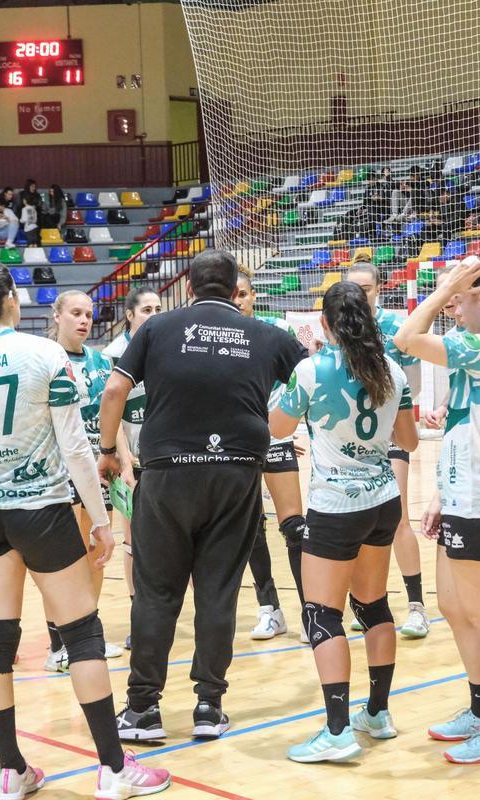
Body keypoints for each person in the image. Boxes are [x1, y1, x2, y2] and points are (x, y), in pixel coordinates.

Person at [0, 259, 170, 799]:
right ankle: (113, 769)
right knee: (82, 633)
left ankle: (11, 770)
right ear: (12, 300)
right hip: (43, 511)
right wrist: (101, 520)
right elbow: (77, 449)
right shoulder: (45, 354)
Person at [97, 249, 306, 741]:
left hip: (168, 476)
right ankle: (209, 707)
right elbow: (319, 377)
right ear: (236, 291)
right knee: (218, 592)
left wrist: (107, 451)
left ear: (188, 288)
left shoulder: (156, 328)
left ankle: (143, 710)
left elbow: (113, 392)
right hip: (236, 476)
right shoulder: (266, 335)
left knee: (157, 592)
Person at [272, 280, 418, 763]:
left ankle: (337, 731)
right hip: (384, 500)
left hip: (336, 506)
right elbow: (409, 442)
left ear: (326, 323)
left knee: (322, 613)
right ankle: (377, 712)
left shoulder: (312, 369)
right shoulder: (392, 368)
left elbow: (278, 429)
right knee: (373, 605)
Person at [395, 249, 480, 764]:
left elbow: (405, 339)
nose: (452, 309)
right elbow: (462, 425)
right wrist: (441, 494)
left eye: (458, 301)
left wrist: (441, 288)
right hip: (461, 493)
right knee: (453, 606)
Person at [345, 262, 430, 639]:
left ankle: (417, 607)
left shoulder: (396, 328)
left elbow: (412, 385)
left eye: (365, 288)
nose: (358, 294)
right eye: (353, 288)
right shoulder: (340, 325)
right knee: (356, 521)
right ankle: (367, 603)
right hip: (352, 436)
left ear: (379, 289)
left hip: (391, 431)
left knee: (398, 519)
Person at [47, 290, 126, 662]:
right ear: (57, 316)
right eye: (75, 313)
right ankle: (59, 644)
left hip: (98, 470)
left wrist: (121, 457)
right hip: (62, 471)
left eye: (89, 314)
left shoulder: (100, 360)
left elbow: (113, 416)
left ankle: (87, 636)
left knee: (97, 553)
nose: (83, 320)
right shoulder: (47, 358)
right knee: (66, 560)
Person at [234, 266, 306, 640]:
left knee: (294, 527)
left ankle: (312, 611)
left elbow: (305, 373)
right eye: (232, 294)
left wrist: (287, 422)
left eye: (243, 294)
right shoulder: (221, 335)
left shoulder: (277, 330)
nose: (238, 301)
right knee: (251, 529)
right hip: (238, 443)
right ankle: (270, 610)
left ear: (254, 296)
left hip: (276, 438)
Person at [101, 286, 163, 649]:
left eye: (158, 309)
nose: (154, 315)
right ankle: (138, 617)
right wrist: (124, 460)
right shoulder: (112, 354)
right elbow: (113, 414)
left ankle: (161, 611)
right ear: (129, 315)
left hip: (163, 460)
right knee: (133, 542)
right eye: (146, 309)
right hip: (131, 462)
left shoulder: (166, 347)